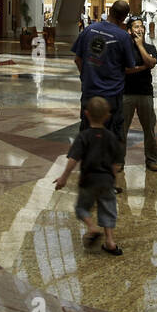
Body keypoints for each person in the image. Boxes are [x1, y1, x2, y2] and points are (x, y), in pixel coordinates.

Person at [53, 96, 124, 256]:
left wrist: (63, 178)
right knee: (108, 210)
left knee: (81, 208)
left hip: (88, 181)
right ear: (108, 116)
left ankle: (91, 227)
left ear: (86, 114)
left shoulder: (83, 137)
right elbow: (116, 164)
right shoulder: (111, 138)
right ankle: (110, 242)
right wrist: (113, 181)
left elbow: (73, 160)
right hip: (106, 182)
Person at [71, 0, 145, 143]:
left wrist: (86, 78)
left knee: (87, 135)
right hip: (112, 96)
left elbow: (77, 60)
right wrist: (144, 67)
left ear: (109, 11)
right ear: (124, 18)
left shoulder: (88, 30)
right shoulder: (123, 37)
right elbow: (129, 67)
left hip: (89, 93)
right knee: (112, 138)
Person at [122, 18, 157, 172]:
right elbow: (124, 69)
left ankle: (151, 160)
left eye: (141, 27)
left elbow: (152, 62)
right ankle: (119, 161)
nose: (140, 29)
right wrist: (144, 66)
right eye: (136, 27)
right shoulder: (124, 48)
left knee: (149, 129)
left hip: (145, 93)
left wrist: (140, 46)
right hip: (126, 93)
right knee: (121, 130)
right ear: (129, 31)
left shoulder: (150, 47)